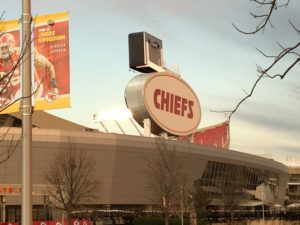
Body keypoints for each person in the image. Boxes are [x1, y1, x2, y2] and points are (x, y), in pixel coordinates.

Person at [0, 32, 59, 108]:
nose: (4, 51)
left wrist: (54, 87)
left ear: (12, 45)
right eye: (2, 48)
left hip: (29, 88)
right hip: (12, 92)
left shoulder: (21, 54)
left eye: (6, 47)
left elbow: (49, 66)